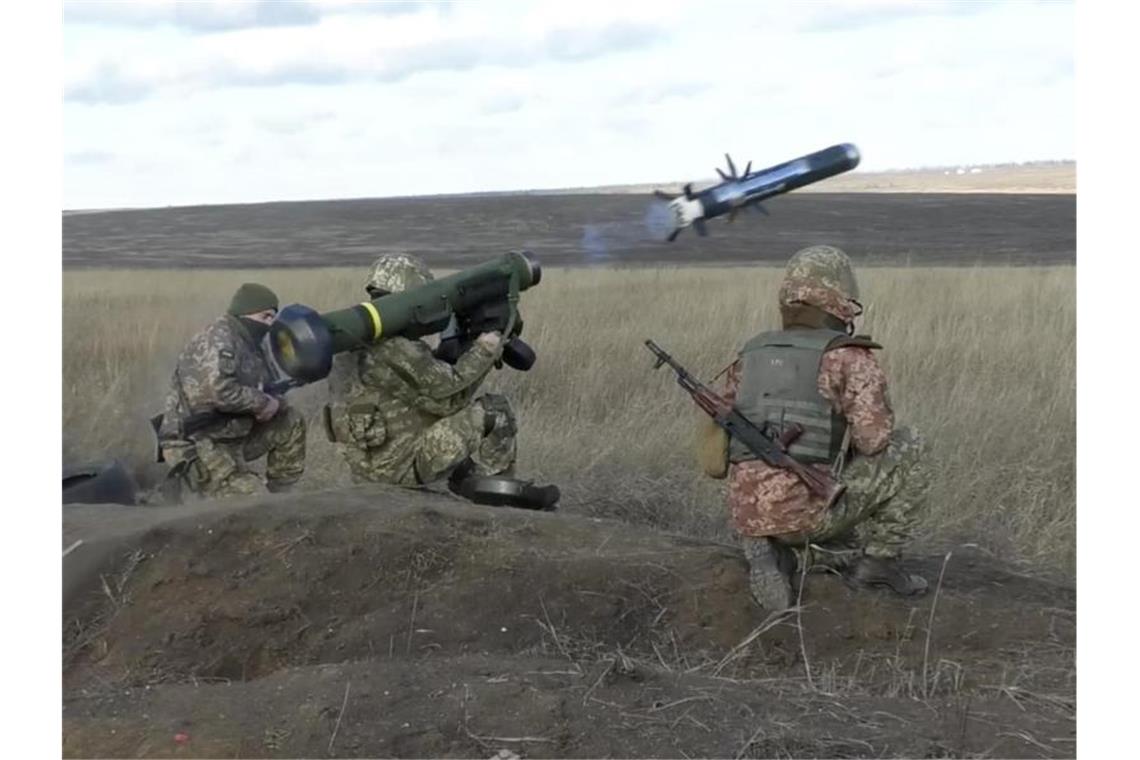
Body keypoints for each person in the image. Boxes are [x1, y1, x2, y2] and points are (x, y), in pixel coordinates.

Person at [701, 245, 930, 611]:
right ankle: (878, 561)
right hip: (806, 515)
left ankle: (774, 549)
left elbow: (717, 449)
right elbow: (875, 441)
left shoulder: (750, 354)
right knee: (910, 444)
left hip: (747, 513)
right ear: (836, 295)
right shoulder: (849, 357)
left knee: (830, 528)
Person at [324, 254, 556, 507]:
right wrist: (485, 349)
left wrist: (449, 353)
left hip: (368, 471)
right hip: (399, 471)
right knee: (495, 410)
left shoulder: (352, 343)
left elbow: (412, 388)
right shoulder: (394, 347)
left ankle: (465, 481)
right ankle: (499, 496)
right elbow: (449, 399)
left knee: (440, 425)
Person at [156, 283, 306, 498]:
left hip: (233, 435)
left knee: (291, 420)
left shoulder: (252, 343)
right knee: (254, 501)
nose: (270, 324)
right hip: (198, 442)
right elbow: (220, 392)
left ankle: (283, 495)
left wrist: (277, 402)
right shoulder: (219, 338)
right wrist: (263, 403)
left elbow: (268, 387)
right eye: (265, 317)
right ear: (246, 312)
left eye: (273, 318)